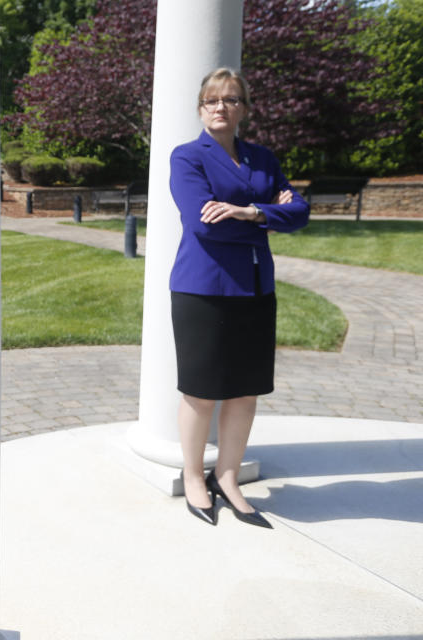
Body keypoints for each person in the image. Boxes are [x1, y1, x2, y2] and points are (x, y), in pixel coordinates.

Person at [169, 67, 309, 528]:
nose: (219, 107)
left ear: (243, 109)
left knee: (245, 390)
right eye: (211, 99)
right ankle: (194, 477)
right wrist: (268, 216)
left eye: (230, 99)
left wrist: (248, 211)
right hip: (202, 288)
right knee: (201, 391)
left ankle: (227, 477)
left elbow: (300, 213)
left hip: (254, 287)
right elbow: (203, 222)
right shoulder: (186, 157)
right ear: (200, 107)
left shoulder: (262, 159)